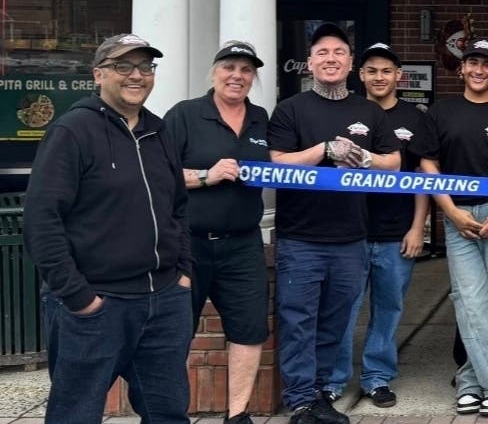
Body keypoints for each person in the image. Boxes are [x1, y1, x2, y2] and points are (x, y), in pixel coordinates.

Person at [24, 33, 193, 424]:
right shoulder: (73, 131)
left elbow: (179, 207)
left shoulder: (159, 130)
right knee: (76, 415)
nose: (137, 75)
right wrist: (79, 297)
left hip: (164, 301)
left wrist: (183, 272)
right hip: (98, 305)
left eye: (145, 67)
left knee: (168, 413)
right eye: (123, 66)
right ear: (98, 75)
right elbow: (41, 220)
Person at [268, 23, 401, 424]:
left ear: (350, 64)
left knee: (335, 323)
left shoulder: (369, 111)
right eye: (322, 52)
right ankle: (300, 402)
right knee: (298, 322)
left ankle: (321, 394)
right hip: (301, 239)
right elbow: (276, 165)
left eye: (339, 52)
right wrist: (324, 149)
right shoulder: (290, 109)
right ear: (310, 63)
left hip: (351, 239)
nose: (330, 59)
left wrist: (366, 159)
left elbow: (393, 164)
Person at [410, 38, 488, 417]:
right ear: (462, 69)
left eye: (487, 64)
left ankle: (471, 382)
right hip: (458, 215)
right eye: (473, 63)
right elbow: (428, 165)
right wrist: (449, 211)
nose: (480, 70)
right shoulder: (440, 112)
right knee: (469, 300)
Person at [165, 40, 270, 424]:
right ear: (214, 72)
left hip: (242, 244)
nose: (237, 76)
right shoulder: (185, 114)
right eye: (230, 67)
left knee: (249, 328)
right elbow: (159, 175)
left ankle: (238, 415)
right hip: (187, 245)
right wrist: (208, 176)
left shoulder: (261, 118)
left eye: (246, 70)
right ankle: (170, 412)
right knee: (176, 331)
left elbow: (279, 165)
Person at [326, 42, 428, 409]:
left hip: (395, 232)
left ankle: (377, 377)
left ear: (398, 76)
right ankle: (333, 380)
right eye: (372, 70)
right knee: (343, 309)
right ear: (360, 74)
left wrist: (418, 228)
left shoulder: (416, 119)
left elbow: (423, 178)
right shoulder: (346, 112)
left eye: (387, 71)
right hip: (348, 233)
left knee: (388, 309)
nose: (379, 77)